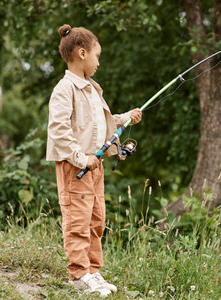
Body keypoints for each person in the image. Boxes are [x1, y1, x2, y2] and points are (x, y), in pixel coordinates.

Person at [46, 24, 142, 297]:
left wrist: (126, 118)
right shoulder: (65, 89)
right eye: (97, 56)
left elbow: (102, 123)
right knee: (78, 220)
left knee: (95, 219)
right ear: (82, 53)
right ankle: (79, 275)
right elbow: (58, 131)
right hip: (76, 166)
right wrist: (80, 158)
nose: (99, 62)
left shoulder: (91, 88)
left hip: (95, 165)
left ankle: (93, 271)